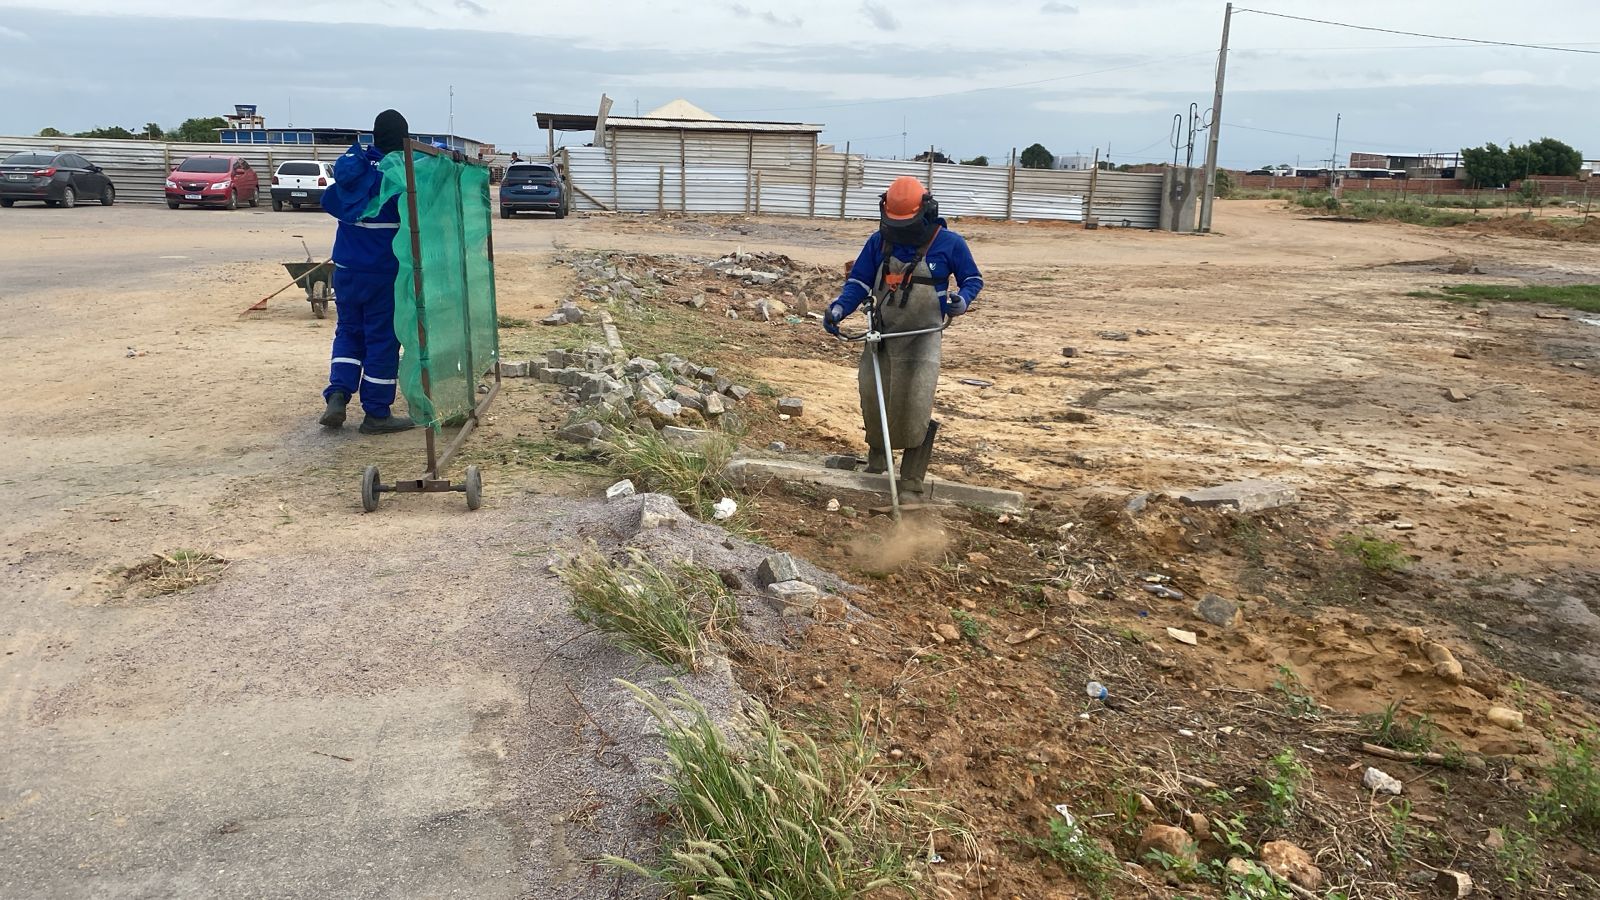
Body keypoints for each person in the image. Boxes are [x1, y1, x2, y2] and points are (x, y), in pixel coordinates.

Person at [824, 176, 983, 474]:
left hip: (923, 336)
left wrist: (962, 300)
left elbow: (972, 279)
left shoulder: (950, 244)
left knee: (915, 400)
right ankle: (878, 462)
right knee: (875, 396)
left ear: (925, 212)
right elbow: (858, 282)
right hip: (883, 334)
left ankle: (911, 478)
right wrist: (839, 308)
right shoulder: (879, 242)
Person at [317, 109, 414, 434]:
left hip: (345, 269)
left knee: (348, 331)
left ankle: (339, 394)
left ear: (374, 137)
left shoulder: (353, 169)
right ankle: (376, 413)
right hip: (382, 274)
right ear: (403, 140)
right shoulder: (399, 174)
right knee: (382, 339)